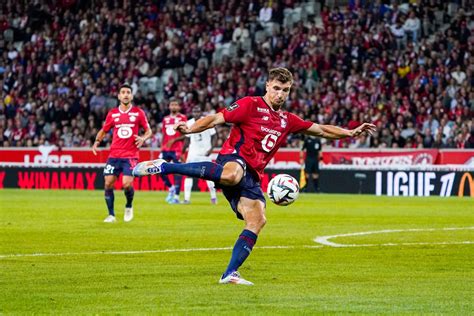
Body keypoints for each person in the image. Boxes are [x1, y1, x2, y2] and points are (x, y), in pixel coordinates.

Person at [133, 68, 376, 285]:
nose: (280, 94)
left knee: (258, 220)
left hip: (253, 176)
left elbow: (321, 130)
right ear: (268, 87)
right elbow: (217, 118)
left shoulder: (287, 120)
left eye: (286, 90)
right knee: (232, 174)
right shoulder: (250, 104)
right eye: (277, 89)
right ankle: (167, 166)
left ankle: (229, 273)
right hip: (233, 159)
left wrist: (350, 132)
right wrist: (190, 129)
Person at [92, 83, 151, 223]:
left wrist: (143, 138)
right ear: (119, 96)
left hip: (130, 156)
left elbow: (149, 131)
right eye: (123, 92)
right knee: (108, 183)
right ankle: (111, 215)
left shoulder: (138, 113)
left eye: (128, 92)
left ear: (131, 95)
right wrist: (96, 141)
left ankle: (129, 205)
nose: (125, 94)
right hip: (114, 155)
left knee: (127, 184)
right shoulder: (112, 114)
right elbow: (104, 130)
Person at [182, 105, 218, 204]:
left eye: (198, 111)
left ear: (201, 112)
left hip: (205, 153)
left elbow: (215, 136)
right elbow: (187, 139)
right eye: (194, 111)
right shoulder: (189, 123)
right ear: (192, 112)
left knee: (209, 176)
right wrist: (182, 151)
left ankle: (214, 198)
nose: (196, 113)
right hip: (192, 152)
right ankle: (186, 199)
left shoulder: (207, 120)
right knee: (188, 174)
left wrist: (211, 149)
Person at [160, 99, 187, 204]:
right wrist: (161, 147)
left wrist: (174, 140)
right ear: (169, 106)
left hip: (177, 149)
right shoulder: (165, 119)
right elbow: (163, 134)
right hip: (166, 149)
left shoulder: (182, 118)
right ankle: (171, 188)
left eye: (176, 104)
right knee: (159, 168)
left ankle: (176, 196)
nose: (174, 106)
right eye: (172, 104)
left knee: (178, 172)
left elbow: (185, 134)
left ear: (179, 107)